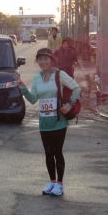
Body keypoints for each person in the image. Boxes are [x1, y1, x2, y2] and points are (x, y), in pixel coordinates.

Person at [17, 48, 80, 196]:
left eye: (46, 59)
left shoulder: (59, 75)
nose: (43, 62)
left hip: (59, 120)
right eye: (40, 59)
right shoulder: (37, 78)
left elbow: (76, 88)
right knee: (48, 153)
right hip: (44, 122)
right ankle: (51, 182)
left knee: (57, 152)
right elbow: (33, 100)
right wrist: (22, 87)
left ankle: (60, 184)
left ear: (51, 60)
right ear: (37, 61)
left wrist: (69, 104)